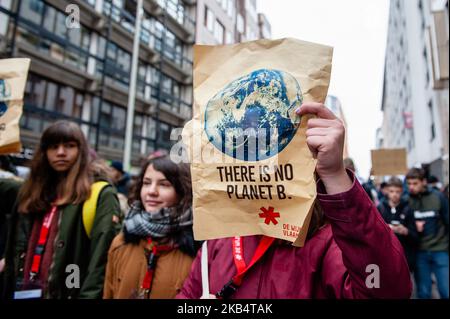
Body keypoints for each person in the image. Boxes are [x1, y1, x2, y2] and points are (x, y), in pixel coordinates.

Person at [177, 102, 412, 299]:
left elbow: (385, 290)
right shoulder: (220, 237)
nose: (261, 163)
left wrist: (335, 176)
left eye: (274, 149)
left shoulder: (328, 240)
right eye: (249, 150)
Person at [3, 121, 121, 299]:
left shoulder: (100, 194)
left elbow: (100, 263)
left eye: (69, 146)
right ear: (44, 152)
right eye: (53, 146)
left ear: (81, 151)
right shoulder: (31, 191)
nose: (60, 152)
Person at [103, 155, 200, 299]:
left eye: (164, 184)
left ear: (182, 192)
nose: (151, 191)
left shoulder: (198, 250)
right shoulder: (121, 242)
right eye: (146, 183)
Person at [406, 168, 449, 299]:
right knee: (423, 293)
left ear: (423, 182)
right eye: (409, 184)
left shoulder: (438, 197)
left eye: (415, 183)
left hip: (440, 249)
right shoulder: (406, 200)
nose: (411, 187)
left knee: (446, 292)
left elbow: (447, 220)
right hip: (420, 252)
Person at [377, 177, 418, 273]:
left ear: (402, 191)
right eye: (392, 191)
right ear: (386, 191)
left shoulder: (408, 209)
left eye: (397, 192)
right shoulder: (380, 208)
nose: (394, 194)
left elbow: (415, 237)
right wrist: (385, 229)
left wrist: (405, 231)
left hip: (405, 256)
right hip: (386, 256)